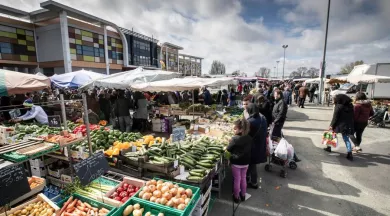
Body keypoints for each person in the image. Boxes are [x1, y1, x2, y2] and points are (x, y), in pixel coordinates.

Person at [226, 118, 252, 203]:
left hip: (236, 162)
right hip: (246, 162)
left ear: (240, 129)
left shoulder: (235, 139)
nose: (234, 130)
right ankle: (243, 195)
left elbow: (228, 149)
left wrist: (230, 141)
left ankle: (236, 197)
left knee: (237, 179)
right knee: (243, 178)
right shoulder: (249, 138)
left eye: (235, 129)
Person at [325, 94, 355, 161]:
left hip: (338, 125)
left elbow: (335, 117)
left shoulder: (338, 106)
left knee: (332, 135)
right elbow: (353, 116)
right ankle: (349, 153)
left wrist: (331, 125)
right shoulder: (351, 106)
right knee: (346, 138)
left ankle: (329, 147)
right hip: (347, 125)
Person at [245, 103, 267, 189]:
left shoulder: (251, 121)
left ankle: (254, 183)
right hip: (260, 144)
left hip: (253, 146)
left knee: (252, 163)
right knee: (252, 163)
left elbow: (246, 134)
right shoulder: (262, 118)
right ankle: (247, 177)